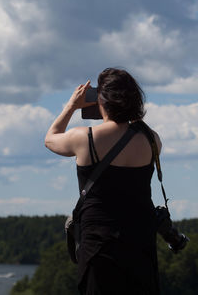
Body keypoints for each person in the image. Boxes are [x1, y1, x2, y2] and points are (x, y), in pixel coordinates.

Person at [45, 68, 162, 295]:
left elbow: (50, 139)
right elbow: (135, 126)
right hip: (140, 243)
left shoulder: (84, 137)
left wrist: (71, 106)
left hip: (99, 245)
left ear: (102, 100)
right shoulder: (152, 139)